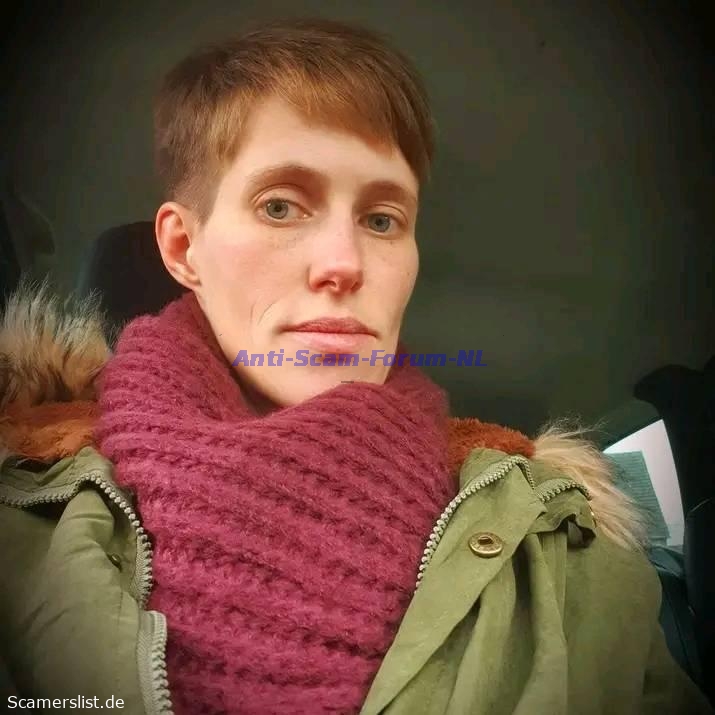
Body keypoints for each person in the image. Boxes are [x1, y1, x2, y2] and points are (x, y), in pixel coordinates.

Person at [0, 16, 712, 715]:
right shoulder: (21, 523)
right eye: (281, 207)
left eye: (380, 220)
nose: (343, 263)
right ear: (185, 249)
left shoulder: (568, 560)